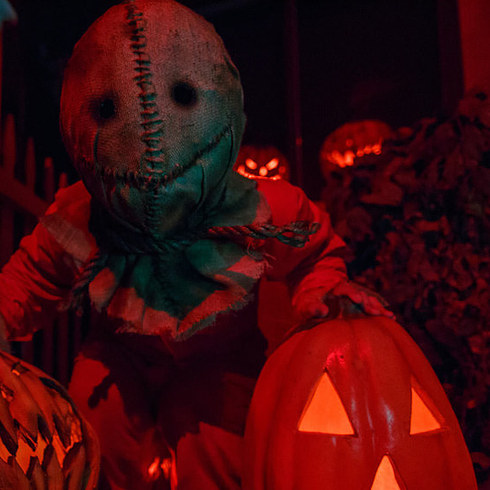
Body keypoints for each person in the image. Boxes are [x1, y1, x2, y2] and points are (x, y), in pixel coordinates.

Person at [0, 1, 392, 488]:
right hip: (120, 355)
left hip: (221, 357)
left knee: (220, 445)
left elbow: (313, 251)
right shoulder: (80, 216)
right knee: (97, 424)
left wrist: (321, 290)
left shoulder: (258, 209)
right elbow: (33, 276)